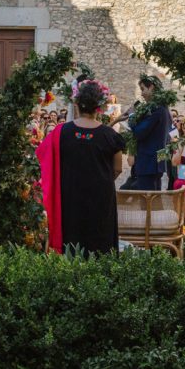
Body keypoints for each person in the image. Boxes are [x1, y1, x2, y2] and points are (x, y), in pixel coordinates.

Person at [36, 78, 125, 255]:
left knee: (72, 242)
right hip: (101, 196)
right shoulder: (110, 136)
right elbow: (117, 168)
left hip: (70, 195)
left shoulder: (60, 132)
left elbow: (42, 155)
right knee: (100, 244)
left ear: (76, 103)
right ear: (99, 106)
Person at [114, 75, 171, 190]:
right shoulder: (164, 108)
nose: (142, 93)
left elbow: (140, 132)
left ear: (152, 88)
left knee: (147, 201)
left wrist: (132, 115)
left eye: (143, 89)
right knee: (154, 199)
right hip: (156, 161)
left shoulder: (156, 109)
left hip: (149, 162)